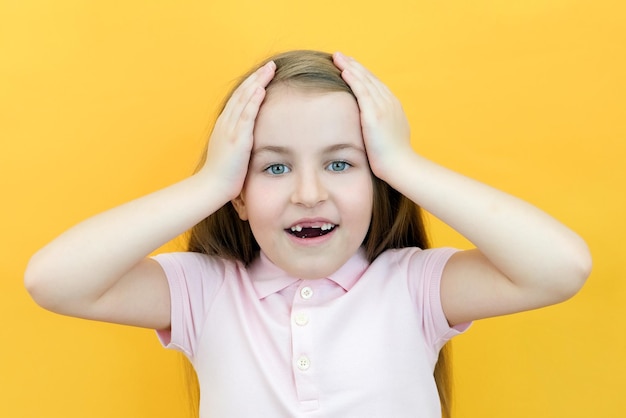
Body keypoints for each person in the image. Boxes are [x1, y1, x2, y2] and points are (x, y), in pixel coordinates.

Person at [24, 50, 592, 418]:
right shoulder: (206, 292)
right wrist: (208, 184)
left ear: (378, 182)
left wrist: (405, 165)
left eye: (342, 163)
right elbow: (53, 281)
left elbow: (561, 267)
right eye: (274, 167)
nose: (308, 192)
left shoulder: (414, 287)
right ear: (238, 197)